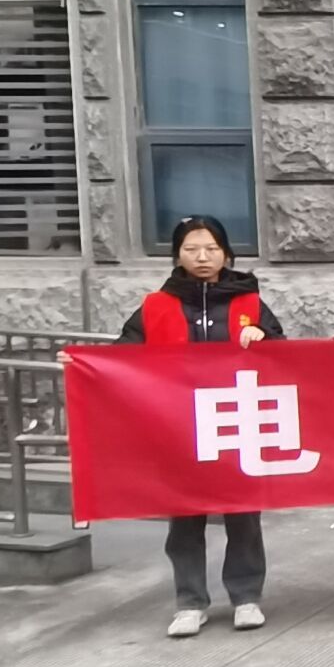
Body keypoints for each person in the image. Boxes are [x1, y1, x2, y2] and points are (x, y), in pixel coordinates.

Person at [117, 215, 285, 639]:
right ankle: (190, 602)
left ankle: (246, 597)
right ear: (178, 255)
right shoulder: (156, 306)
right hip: (179, 426)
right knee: (185, 519)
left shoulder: (249, 303)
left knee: (242, 515)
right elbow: (122, 357)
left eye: (211, 248)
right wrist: (82, 364)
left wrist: (263, 338)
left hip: (236, 421)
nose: (203, 257)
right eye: (192, 249)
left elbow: (284, 352)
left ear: (226, 253)